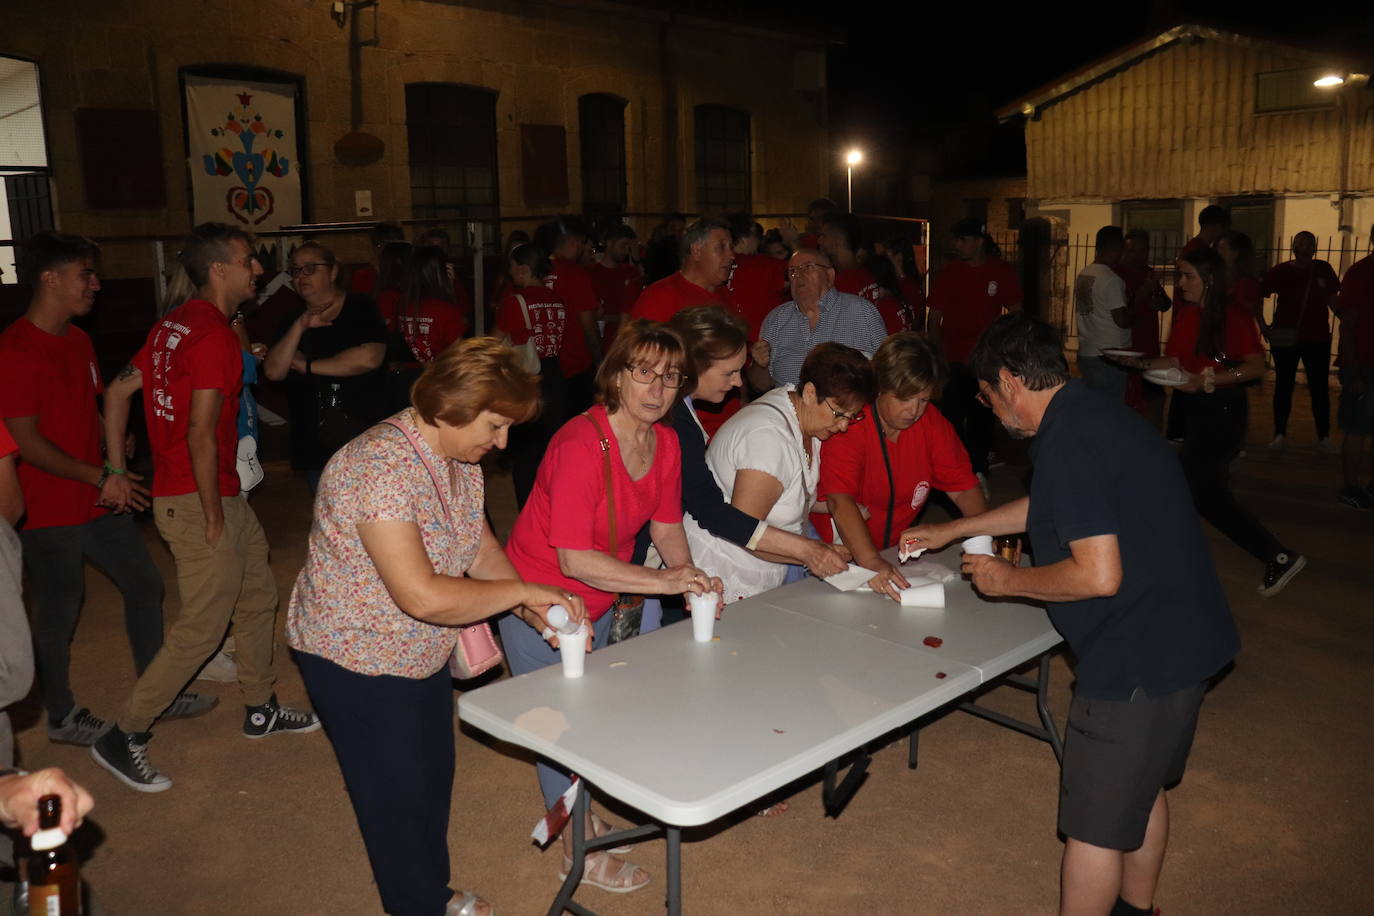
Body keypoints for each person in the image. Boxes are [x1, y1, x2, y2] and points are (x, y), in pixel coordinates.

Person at [904, 312, 1238, 916]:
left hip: (1135, 659)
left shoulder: (1067, 442)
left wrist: (1009, 581)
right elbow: (1055, 503)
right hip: (1190, 635)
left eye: (985, 396)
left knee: (1092, 828)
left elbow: (1097, 575)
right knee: (1141, 790)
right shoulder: (1098, 414)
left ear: (1008, 382)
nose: (990, 411)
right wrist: (957, 527)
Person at [288, 338, 578, 916]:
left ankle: (430, 892)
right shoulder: (379, 468)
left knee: (430, 775)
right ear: (453, 405)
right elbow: (419, 593)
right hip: (354, 655)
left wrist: (531, 606)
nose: (501, 444)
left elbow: (478, 547)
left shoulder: (455, 456)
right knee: (392, 795)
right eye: (495, 426)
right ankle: (417, 904)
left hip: (418, 649)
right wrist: (521, 592)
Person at [93, 223, 320, 794]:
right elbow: (199, 434)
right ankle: (125, 732)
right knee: (201, 627)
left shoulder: (172, 326)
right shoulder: (214, 336)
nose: (259, 271)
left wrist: (118, 468)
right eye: (249, 262)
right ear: (220, 269)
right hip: (200, 497)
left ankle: (260, 705)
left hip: (209, 492)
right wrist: (213, 512)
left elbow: (117, 392)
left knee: (258, 595)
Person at [499, 321, 722, 895]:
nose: (656, 388)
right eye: (642, 372)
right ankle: (579, 854)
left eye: (670, 377)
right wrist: (665, 581)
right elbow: (573, 560)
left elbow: (667, 525)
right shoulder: (579, 443)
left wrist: (689, 574)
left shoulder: (666, 440)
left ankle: (588, 818)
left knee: (609, 716)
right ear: (616, 374)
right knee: (561, 730)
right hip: (543, 603)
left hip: (617, 594)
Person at [0, 232, 202, 749]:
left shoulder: (79, 339)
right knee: (61, 609)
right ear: (50, 279)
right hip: (48, 507)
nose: (96, 284)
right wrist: (100, 475)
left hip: (98, 493)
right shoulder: (16, 350)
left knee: (145, 585)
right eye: (85, 274)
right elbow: (26, 442)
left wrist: (112, 446)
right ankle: (61, 715)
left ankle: (158, 692)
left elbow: (88, 407)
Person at [637, 308, 850, 625]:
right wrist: (807, 550)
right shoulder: (674, 421)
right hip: (632, 559)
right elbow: (709, 509)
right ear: (694, 366)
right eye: (729, 373)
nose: (738, 383)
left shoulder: (680, 411)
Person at [1115, 247, 1306, 596]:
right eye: (1180, 274)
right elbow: (1175, 359)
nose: (1181, 282)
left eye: (1188, 276)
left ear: (1209, 279)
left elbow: (1254, 367)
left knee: (1194, 491)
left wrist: (1209, 379)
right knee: (1203, 493)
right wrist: (1138, 364)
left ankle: (1274, 556)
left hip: (1224, 409)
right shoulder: (1188, 314)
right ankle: (1272, 557)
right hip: (1198, 409)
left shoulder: (1231, 315)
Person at [685, 341, 875, 603]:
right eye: (839, 414)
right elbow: (745, 531)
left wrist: (822, 538)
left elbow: (788, 494)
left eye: (852, 417)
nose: (843, 426)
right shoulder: (768, 439)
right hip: (719, 576)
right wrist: (811, 552)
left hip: (758, 572)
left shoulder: (805, 417)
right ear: (809, 392)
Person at [820, 332, 985, 600]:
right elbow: (840, 501)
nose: (914, 411)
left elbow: (965, 489)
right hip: (837, 553)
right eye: (904, 398)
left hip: (892, 555)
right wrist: (871, 560)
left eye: (923, 400)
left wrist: (982, 546)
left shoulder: (932, 424)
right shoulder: (851, 424)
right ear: (879, 388)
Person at [264, 240, 390, 492]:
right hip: (314, 440)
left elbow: (369, 358)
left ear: (333, 272)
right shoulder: (292, 319)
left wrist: (307, 366)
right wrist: (299, 327)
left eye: (310, 268)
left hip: (362, 433)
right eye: (296, 270)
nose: (301, 276)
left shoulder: (359, 307)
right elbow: (274, 371)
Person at [926, 217, 1022, 480]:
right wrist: (938, 356)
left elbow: (1016, 313)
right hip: (955, 360)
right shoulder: (951, 272)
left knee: (982, 420)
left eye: (963, 240)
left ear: (979, 242)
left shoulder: (1000, 272)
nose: (958, 245)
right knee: (952, 419)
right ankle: (952, 471)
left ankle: (978, 471)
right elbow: (934, 316)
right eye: (956, 239)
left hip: (985, 362)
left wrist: (1004, 348)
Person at [750, 249, 887, 391]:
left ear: (830, 275)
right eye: (792, 271)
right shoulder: (776, 319)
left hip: (848, 410)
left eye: (808, 267)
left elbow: (887, 372)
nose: (798, 275)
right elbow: (760, 385)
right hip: (791, 410)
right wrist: (760, 364)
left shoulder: (860, 311)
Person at [495, 243, 568, 507]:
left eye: (512, 268)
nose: (511, 274)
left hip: (526, 379)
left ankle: (528, 511)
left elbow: (495, 342)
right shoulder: (557, 300)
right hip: (554, 376)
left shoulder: (516, 303)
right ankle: (552, 507)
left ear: (524, 269)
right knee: (551, 449)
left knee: (525, 454)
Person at [1260, 231, 1341, 452]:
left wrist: (1349, 320)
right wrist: (1262, 325)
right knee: (1283, 386)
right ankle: (1279, 433)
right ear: (1294, 247)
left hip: (1317, 337)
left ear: (1314, 247)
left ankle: (1323, 435)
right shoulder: (1281, 271)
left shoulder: (1323, 269)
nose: (1304, 246)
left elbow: (1333, 299)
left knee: (1319, 388)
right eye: (1300, 242)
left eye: (1308, 242)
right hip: (1287, 337)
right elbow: (1259, 293)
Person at [535, 216, 602, 419]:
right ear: (573, 242)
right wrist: (600, 363)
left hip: (541, 367)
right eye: (582, 244)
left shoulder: (536, 271)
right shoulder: (576, 274)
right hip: (575, 369)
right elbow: (588, 327)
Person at [629, 217, 735, 324]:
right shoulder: (659, 298)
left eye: (731, 248)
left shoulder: (726, 296)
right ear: (696, 251)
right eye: (721, 247)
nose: (731, 256)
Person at [1114, 230, 1171, 427]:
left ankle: (1153, 438)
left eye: (1142, 250)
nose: (1137, 255)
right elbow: (1122, 312)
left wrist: (1159, 301)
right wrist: (1145, 291)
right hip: (1129, 346)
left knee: (1155, 397)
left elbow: (1166, 303)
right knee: (1131, 401)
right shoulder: (1116, 275)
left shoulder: (1148, 272)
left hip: (1150, 346)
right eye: (1132, 250)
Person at [1073, 226, 1133, 401]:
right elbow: (1121, 319)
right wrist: (1134, 315)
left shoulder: (1083, 275)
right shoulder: (1112, 279)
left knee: (1093, 407)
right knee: (1111, 410)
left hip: (1088, 351)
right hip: (1110, 354)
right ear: (1116, 249)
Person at [1336, 236, 1374, 509]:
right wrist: (1355, 371)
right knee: (1357, 429)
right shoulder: (1361, 273)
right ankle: (1351, 486)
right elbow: (1347, 325)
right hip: (1362, 364)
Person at [725, 211, 788, 340]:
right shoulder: (763, 266)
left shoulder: (713, 268)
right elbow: (806, 274)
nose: (758, 241)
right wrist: (793, 241)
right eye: (755, 235)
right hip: (762, 348)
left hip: (727, 348)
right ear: (745, 238)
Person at [588, 223, 642, 350]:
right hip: (601, 342)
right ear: (609, 243)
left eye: (628, 247)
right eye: (623, 245)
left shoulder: (631, 272)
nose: (625, 251)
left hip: (626, 343)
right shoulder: (592, 273)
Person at [351, 222, 406, 295]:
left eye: (389, 245)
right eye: (378, 245)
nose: (384, 249)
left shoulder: (410, 273)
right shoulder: (363, 276)